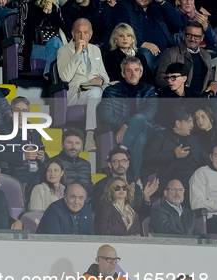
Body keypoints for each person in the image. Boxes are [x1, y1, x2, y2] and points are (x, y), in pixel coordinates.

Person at [98, 57, 157, 181]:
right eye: (129, 70)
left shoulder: (149, 89)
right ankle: (137, 179)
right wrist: (126, 123)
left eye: (136, 70)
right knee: (140, 138)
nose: (133, 73)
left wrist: (127, 124)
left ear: (141, 73)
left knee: (140, 118)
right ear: (123, 73)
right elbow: (105, 115)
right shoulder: (111, 91)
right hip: (135, 133)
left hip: (147, 129)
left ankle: (122, 149)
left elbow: (150, 113)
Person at [56, 19, 109, 152]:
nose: (82, 36)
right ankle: (90, 137)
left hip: (95, 88)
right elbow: (65, 77)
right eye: (79, 33)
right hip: (75, 93)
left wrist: (101, 79)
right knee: (96, 93)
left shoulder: (95, 50)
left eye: (85, 33)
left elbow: (106, 76)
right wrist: (77, 53)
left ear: (90, 35)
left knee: (112, 90)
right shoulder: (64, 50)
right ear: (73, 34)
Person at [143, 106, 208, 199]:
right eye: (189, 121)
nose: (193, 125)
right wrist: (173, 155)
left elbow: (205, 158)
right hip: (171, 180)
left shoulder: (193, 139)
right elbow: (147, 157)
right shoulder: (162, 136)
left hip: (194, 180)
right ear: (178, 123)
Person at [0, 97, 48, 197]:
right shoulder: (1, 130)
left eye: (24, 110)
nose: (21, 114)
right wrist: (24, 156)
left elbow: (43, 152)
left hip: (37, 172)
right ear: (11, 113)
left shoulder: (34, 131)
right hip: (15, 171)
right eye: (17, 110)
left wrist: (41, 156)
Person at [112, 0, 182, 71]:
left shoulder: (156, 6)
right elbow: (121, 32)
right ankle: (148, 81)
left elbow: (178, 24)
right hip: (139, 48)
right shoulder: (124, 7)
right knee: (145, 54)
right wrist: (142, 43)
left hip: (166, 49)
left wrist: (162, 2)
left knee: (181, 51)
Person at [156, 21, 217, 97]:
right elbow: (160, 78)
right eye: (189, 35)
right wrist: (179, 89)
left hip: (202, 98)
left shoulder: (206, 55)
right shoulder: (170, 53)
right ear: (184, 35)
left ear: (202, 38)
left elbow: (210, 78)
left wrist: (213, 83)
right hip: (180, 98)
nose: (192, 39)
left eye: (196, 36)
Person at [92, 147, 158, 213]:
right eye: (116, 161)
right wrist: (124, 198)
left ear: (128, 163)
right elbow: (100, 210)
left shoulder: (135, 187)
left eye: (123, 161)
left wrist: (146, 199)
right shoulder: (101, 186)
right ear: (110, 165)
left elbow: (141, 214)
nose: (120, 164)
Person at [18, 0, 64, 75]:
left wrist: (51, 13)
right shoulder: (28, 7)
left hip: (52, 47)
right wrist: (43, 12)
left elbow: (63, 28)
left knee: (58, 46)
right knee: (56, 44)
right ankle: (52, 77)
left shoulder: (55, 9)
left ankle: (52, 76)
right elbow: (28, 29)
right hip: (32, 48)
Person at [190, 142, 217, 238]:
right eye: (216, 156)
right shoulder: (201, 173)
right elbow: (195, 203)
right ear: (211, 157)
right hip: (212, 217)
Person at [50, 129, 93, 198]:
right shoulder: (52, 162)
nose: (74, 147)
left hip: (84, 205)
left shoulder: (86, 164)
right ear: (62, 145)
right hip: (61, 204)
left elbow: (90, 188)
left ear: (81, 146)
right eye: (69, 143)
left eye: (77, 143)